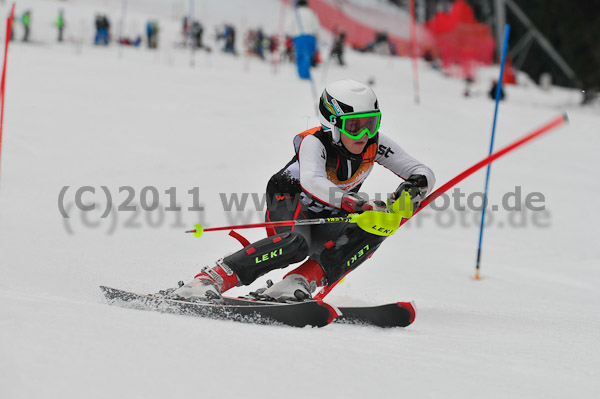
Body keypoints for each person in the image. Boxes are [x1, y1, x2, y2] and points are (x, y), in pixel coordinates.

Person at [171, 79, 435, 302]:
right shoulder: (314, 143)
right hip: (288, 200)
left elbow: (422, 172)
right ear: (333, 122)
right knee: (296, 244)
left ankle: (295, 283)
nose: (365, 134)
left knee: (375, 228)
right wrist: (354, 203)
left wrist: (411, 191)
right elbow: (313, 182)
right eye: (354, 125)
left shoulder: (375, 144)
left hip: (330, 213)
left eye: (371, 123)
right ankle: (209, 280)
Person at [285, 0, 321, 79]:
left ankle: (302, 75)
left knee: (300, 56)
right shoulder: (311, 13)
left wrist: (290, 34)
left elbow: (288, 27)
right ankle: (306, 74)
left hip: (299, 37)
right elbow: (316, 27)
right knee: (307, 56)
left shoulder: (294, 13)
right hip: (310, 36)